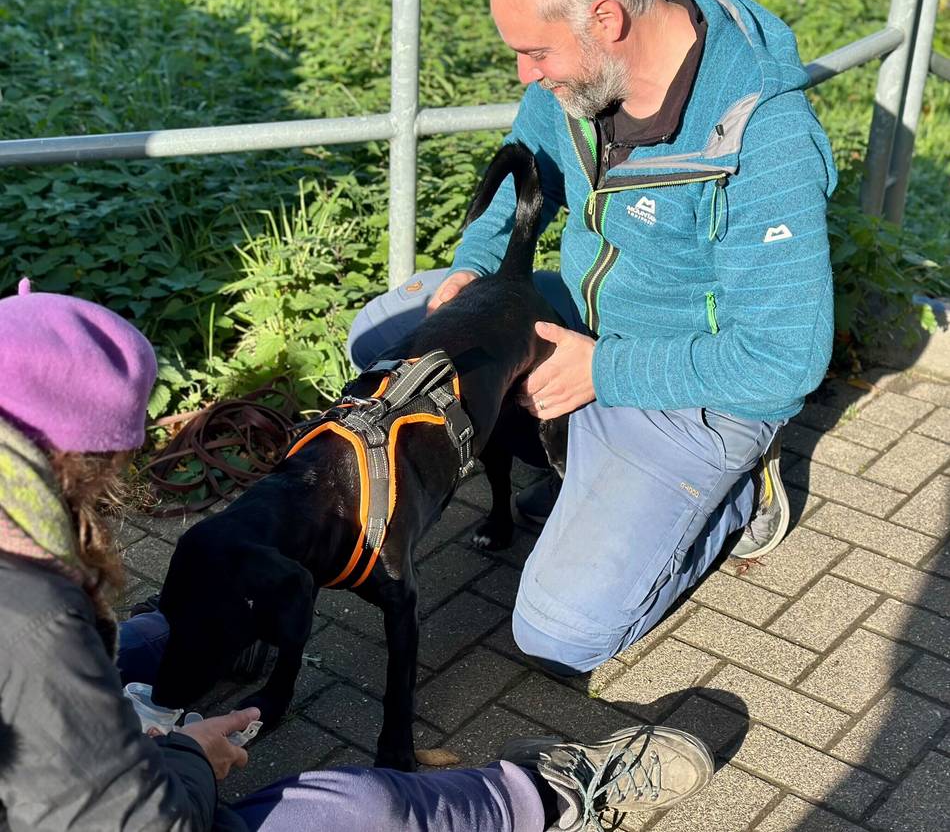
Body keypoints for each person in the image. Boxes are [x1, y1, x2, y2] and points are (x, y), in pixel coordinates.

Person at [0, 279, 715, 831]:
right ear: (82, 465)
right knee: (370, 804)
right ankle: (546, 792)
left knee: (160, 633)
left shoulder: (35, 606)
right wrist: (191, 758)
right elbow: (133, 821)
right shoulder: (37, 618)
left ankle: (214, 636)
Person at [348, 0, 835, 676]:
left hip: (695, 384)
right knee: (389, 330)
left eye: (535, 52)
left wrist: (601, 369)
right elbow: (524, 174)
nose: (522, 73)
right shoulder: (584, 78)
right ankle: (577, 459)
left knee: (560, 634)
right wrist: (475, 269)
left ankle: (740, 499)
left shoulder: (765, 135)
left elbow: (783, 359)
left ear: (607, 18)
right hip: (586, 325)